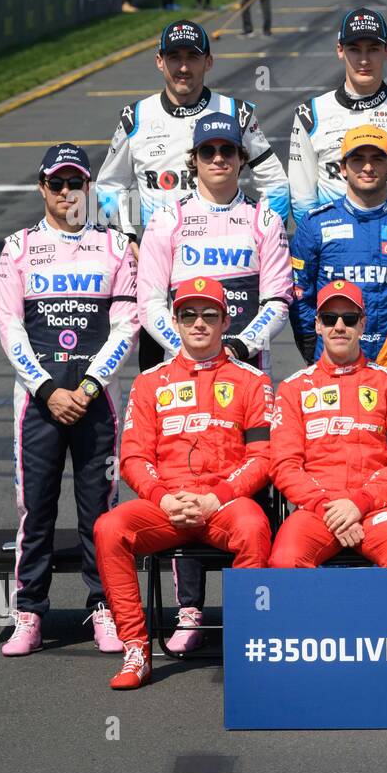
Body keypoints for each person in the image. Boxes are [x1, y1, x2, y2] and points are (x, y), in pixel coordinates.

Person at [0, 144, 139, 657]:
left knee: (100, 510)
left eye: (75, 182)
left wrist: (89, 386)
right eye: (57, 183)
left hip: (97, 399)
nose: (66, 192)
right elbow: (11, 330)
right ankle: (29, 612)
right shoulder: (17, 247)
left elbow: (127, 325)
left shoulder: (116, 247)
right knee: (35, 509)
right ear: (42, 188)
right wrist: (50, 390)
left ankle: (106, 608)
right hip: (38, 400)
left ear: (88, 188)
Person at [94, 277, 274, 689]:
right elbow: (133, 457)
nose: (198, 323)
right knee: (109, 529)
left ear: (226, 321)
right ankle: (135, 649)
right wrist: (162, 496)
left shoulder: (253, 381)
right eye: (188, 314)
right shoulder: (150, 382)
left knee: (254, 527)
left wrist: (218, 497)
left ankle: (249, 645)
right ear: (174, 321)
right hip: (166, 504)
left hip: (225, 504)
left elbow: (262, 459)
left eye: (209, 314)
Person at [270, 279, 387, 569]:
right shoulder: (293, 389)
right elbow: (284, 465)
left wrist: (359, 503)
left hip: (374, 507)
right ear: (317, 325)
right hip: (316, 508)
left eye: (349, 318)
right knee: (284, 560)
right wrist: (328, 509)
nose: (339, 326)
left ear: (362, 325)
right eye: (330, 319)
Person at [96, 19, 289, 251]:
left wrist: (268, 236)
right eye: (175, 57)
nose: (183, 67)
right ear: (160, 61)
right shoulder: (134, 118)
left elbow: (275, 182)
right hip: (161, 255)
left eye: (193, 57)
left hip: (228, 253)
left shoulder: (236, 112)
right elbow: (109, 185)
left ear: (208, 62)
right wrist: (125, 237)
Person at [138, 112, 291, 377]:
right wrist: (186, 349)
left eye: (227, 150)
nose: (218, 158)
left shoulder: (266, 220)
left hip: (246, 365)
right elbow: (149, 305)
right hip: (182, 368)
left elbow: (277, 302)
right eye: (208, 151)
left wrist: (236, 349)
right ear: (194, 159)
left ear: (241, 157)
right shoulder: (165, 220)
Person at [290, 126, 387, 371]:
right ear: (342, 168)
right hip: (335, 363)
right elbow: (300, 295)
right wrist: (313, 345)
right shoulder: (314, 224)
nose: (368, 168)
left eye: (377, 159)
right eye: (358, 159)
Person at [288, 8, 387, 234]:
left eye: (373, 49)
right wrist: (323, 240)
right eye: (354, 49)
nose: (363, 60)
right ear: (340, 50)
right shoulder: (309, 114)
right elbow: (302, 198)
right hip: (335, 244)